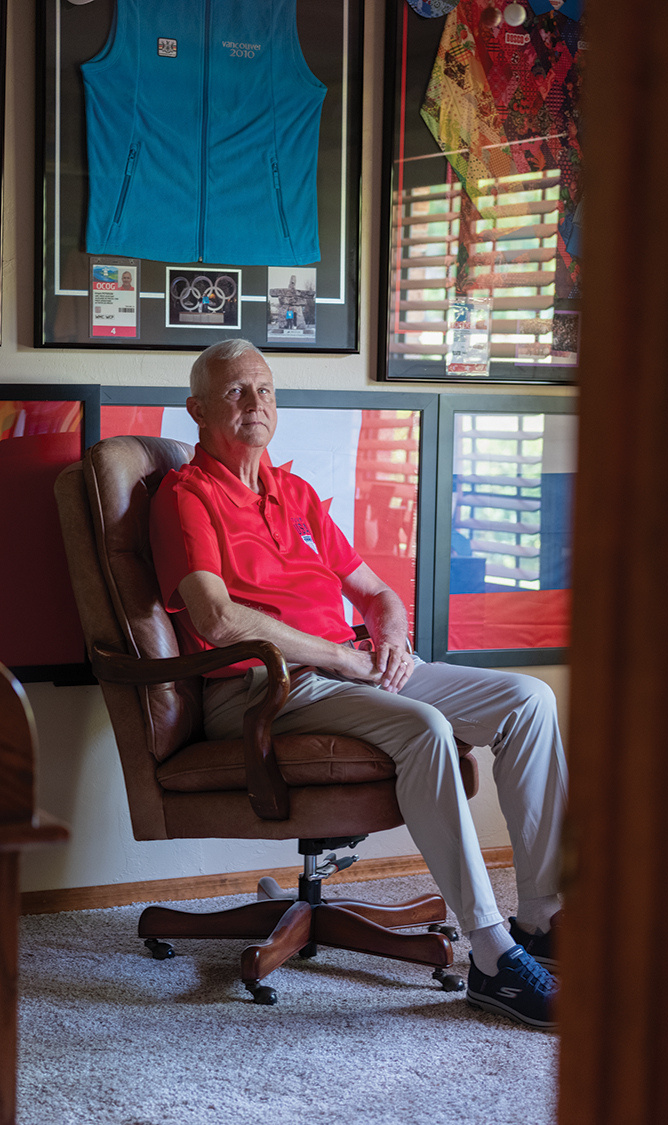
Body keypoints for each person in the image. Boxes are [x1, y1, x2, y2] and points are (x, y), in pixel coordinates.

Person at [149, 337, 566, 1027]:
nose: (256, 404)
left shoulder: (297, 493)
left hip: (351, 669)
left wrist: (393, 636)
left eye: (266, 389)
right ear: (196, 409)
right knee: (424, 727)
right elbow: (216, 618)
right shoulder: (184, 496)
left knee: (529, 700)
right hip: (263, 689)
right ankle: (492, 958)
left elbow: (375, 593)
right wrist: (342, 657)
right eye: (236, 392)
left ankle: (543, 918)